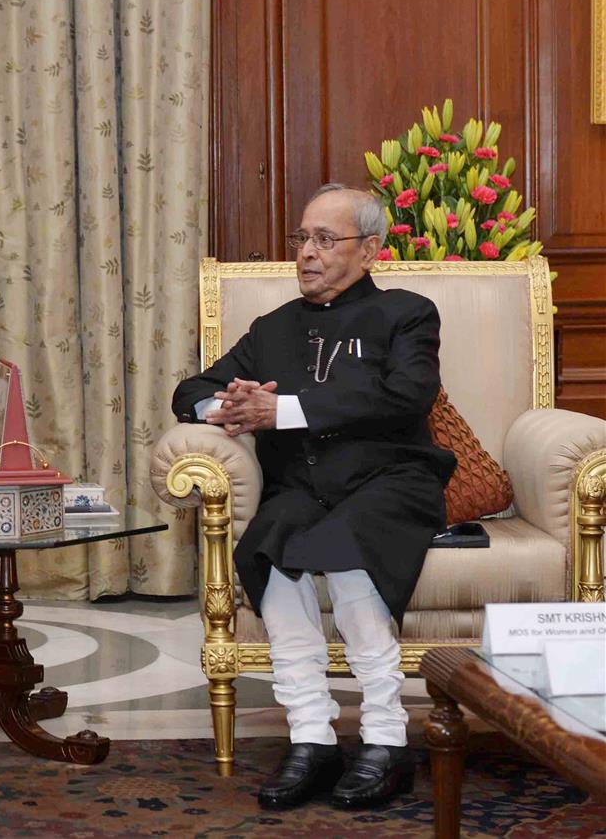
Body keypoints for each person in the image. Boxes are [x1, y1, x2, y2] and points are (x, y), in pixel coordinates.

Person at [171, 184, 456, 810]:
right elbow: (190, 388)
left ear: (371, 250)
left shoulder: (406, 313)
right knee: (269, 547)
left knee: (347, 550)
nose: (307, 253)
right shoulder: (274, 329)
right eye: (302, 238)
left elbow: (407, 395)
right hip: (305, 486)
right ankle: (311, 737)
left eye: (326, 240)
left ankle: (385, 742)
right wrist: (228, 407)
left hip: (392, 479)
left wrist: (286, 409)